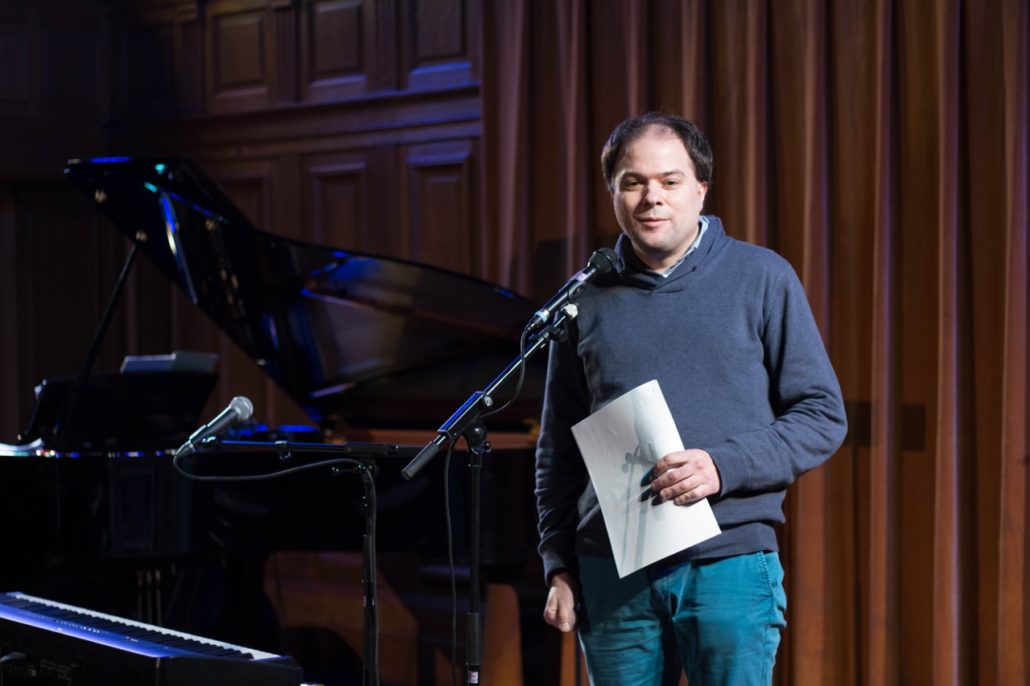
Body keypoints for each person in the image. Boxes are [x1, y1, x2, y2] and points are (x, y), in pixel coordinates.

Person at [534, 112, 847, 685]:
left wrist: (722, 466)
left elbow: (822, 415)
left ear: (701, 188)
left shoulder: (762, 277)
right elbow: (558, 447)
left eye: (670, 181)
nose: (651, 197)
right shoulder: (584, 299)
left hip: (728, 561)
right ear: (613, 194)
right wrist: (558, 563)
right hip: (612, 568)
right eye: (633, 182)